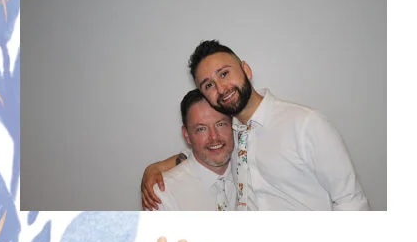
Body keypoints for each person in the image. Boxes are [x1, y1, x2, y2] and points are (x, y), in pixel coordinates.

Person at [141, 40, 369, 212]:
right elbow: (204, 153)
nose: (221, 88)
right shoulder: (231, 134)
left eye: (224, 74)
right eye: (209, 85)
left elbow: (351, 201)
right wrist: (155, 168)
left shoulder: (305, 124)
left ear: (246, 70)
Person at [154, 90, 237, 210]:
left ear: (233, 125)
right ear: (187, 135)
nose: (214, 137)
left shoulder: (253, 172)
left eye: (220, 124)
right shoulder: (163, 195)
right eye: (201, 129)